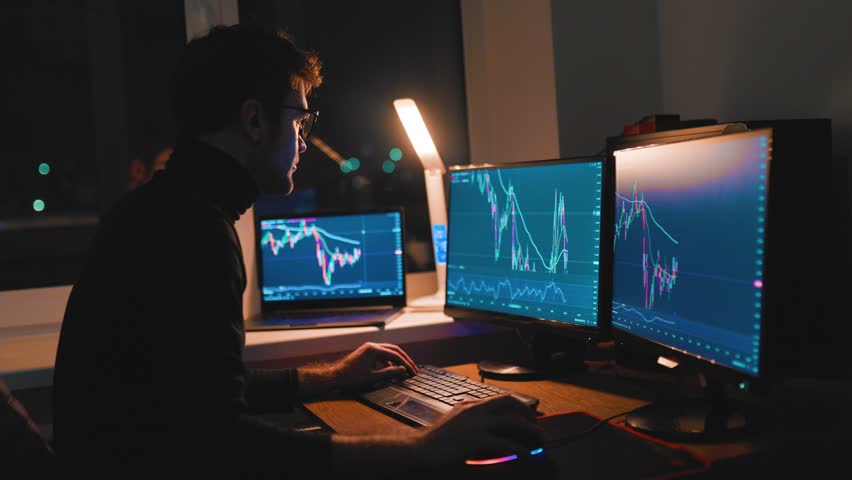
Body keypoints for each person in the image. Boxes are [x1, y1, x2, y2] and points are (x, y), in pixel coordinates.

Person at [52, 24, 544, 479]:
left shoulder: (161, 210)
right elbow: (220, 442)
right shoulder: (194, 232)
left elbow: (195, 390)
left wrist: (330, 377)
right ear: (254, 120)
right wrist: (423, 448)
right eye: (300, 121)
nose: (304, 143)